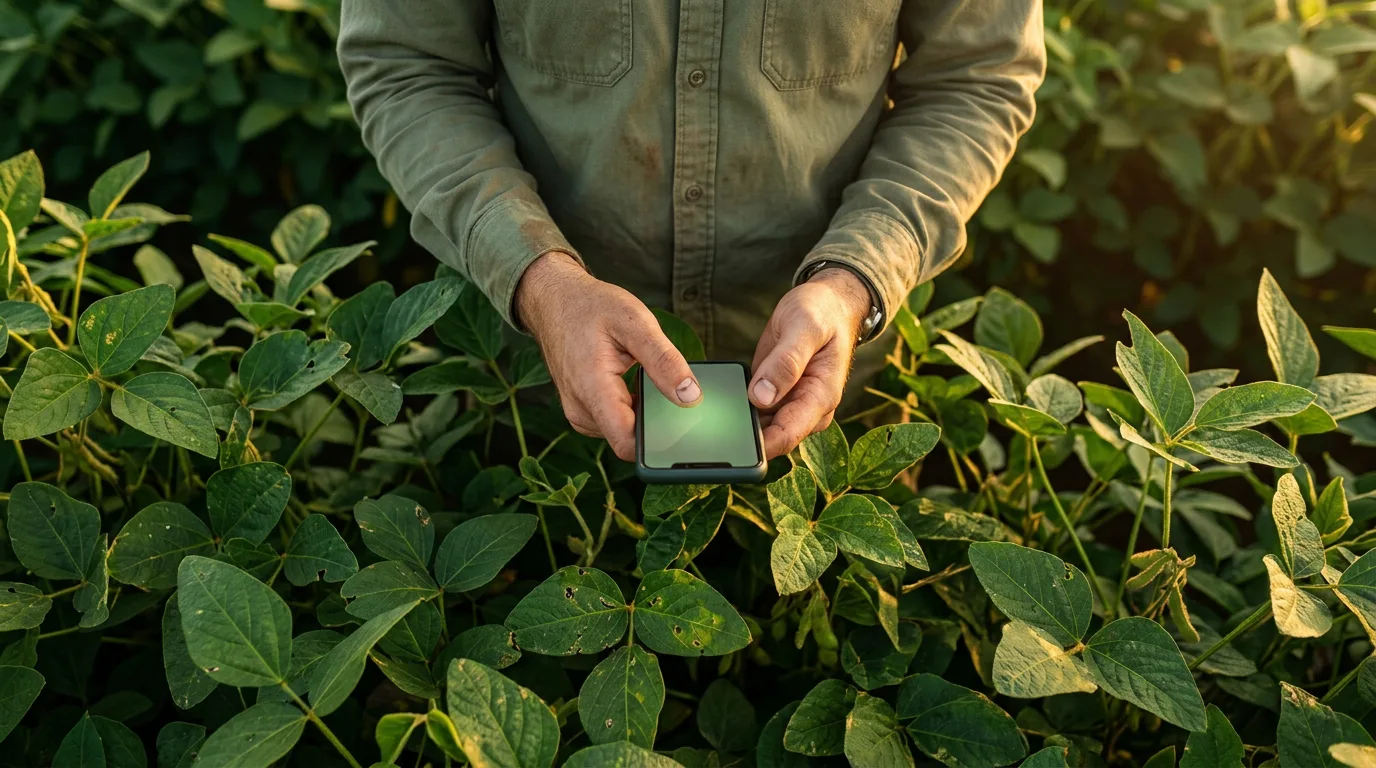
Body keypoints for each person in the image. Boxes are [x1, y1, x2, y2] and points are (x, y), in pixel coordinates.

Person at [338, 1, 1044, 463]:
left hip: (841, 415)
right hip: (535, 400)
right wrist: (540, 278)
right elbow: (408, 67)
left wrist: (857, 275)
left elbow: (976, 77)